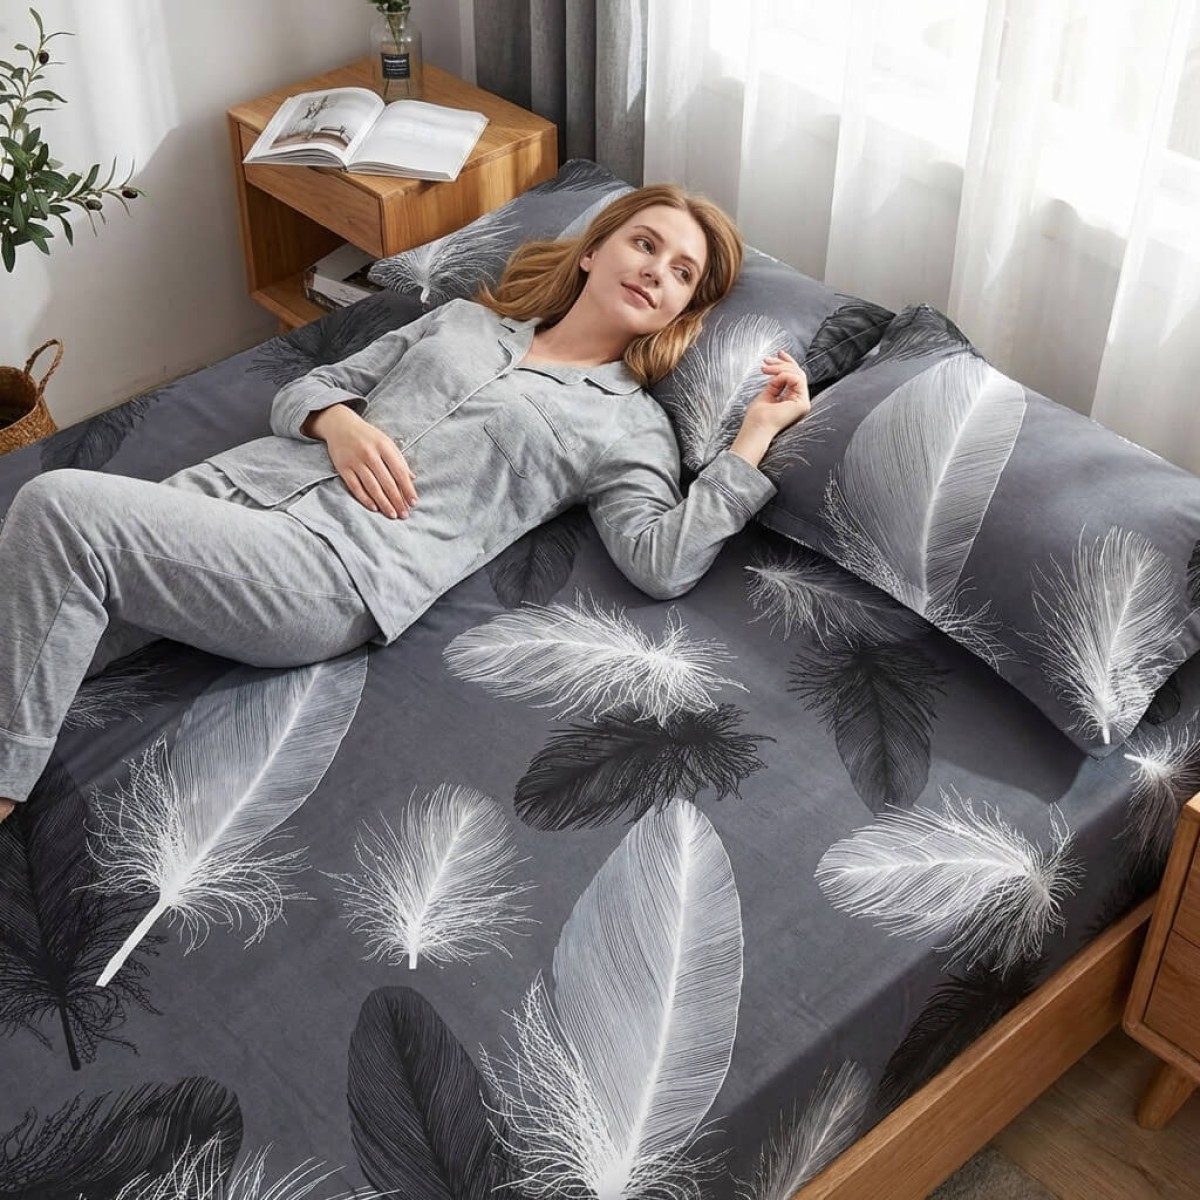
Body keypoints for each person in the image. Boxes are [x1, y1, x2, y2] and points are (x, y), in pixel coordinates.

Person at [0, 183, 811, 823]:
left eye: (682, 274)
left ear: (681, 310)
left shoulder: (629, 426)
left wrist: (752, 440)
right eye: (646, 243)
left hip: (332, 570)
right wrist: (340, 423)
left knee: (59, 510)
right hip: (242, 488)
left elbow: (661, 562)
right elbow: (307, 389)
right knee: (37, 591)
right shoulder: (464, 322)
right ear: (596, 249)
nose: (657, 270)